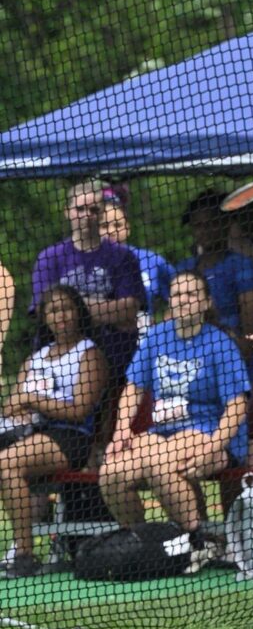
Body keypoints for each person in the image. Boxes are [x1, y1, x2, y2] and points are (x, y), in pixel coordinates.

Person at [99, 268, 249, 551]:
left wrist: (215, 446)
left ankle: (198, 543)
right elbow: (133, 387)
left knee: (160, 464)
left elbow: (237, 405)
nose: (184, 299)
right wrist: (122, 430)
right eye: (178, 294)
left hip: (210, 431)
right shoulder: (157, 337)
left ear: (206, 302)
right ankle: (140, 542)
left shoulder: (221, 344)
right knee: (112, 473)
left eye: (192, 294)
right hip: (162, 432)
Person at [0, 285, 107, 577]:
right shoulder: (36, 357)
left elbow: (79, 410)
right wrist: (23, 404)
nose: (60, 315)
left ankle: (23, 554)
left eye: (66, 308)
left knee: (8, 464)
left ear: (77, 313)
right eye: (53, 310)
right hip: (30, 434)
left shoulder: (89, 354)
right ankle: (38, 515)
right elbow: (11, 406)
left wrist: (35, 400)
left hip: (69, 437)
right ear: (45, 316)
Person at [30, 178, 146, 391]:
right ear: (68, 212)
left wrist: (68, 308)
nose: (86, 215)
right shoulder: (49, 257)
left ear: (101, 213)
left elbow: (128, 310)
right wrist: (106, 310)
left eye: (93, 209)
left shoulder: (122, 257)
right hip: (59, 363)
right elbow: (42, 310)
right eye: (80, 209)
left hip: (115, 359)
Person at [175, 190, 253, 383]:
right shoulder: (183, 270)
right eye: (198, 226)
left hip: (242, 375)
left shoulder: (245, 269)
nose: (204, 231)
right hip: (192, 374)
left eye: (211, 224)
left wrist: (214, 324)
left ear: (226, 224)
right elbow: (170, 326)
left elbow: (252, 339)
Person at [99, 193, 174, 321]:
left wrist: (164, 328)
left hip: (145, 338)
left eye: (117, 225)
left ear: (128, 228)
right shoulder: (83, 262)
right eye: (104, 226)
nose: (111, 231)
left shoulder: (151, 260)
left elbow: (182, 290)